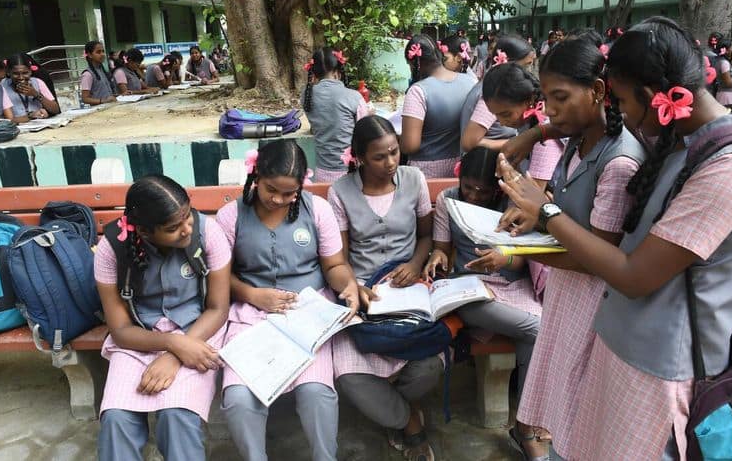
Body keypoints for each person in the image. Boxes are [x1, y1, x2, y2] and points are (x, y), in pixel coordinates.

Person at [498, 16, 732, 460]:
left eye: (623, 101)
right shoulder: (679, 141)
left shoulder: (731, 168)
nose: (620, 114)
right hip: (625, 352)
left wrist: (546, 211)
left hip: (662, 373)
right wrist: (542, 129)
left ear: (653, 96)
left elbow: (633, 274)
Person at [492, 36, 645, 460]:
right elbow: (564, 204)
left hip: (591, 300)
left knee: (577, 407)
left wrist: (518, 248)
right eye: (546, 99)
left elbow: (596, 258)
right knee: (559, 403)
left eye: (560, 98)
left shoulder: (618, 162)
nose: (552, 110)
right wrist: (534, 135)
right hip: (566, 292)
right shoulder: (582, 137)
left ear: (598, 90)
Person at [215, 139, 360, 461]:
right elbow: (219, 278)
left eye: (289, 193)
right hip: (250, 315)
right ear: (255, 176)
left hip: (307, 315)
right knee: (238, 397)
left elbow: (334, 266)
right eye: (271, 190)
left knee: (316, 392)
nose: (279, 200)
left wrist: (347, 285)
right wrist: (253, 294)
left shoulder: (317, 209)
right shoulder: (231, 216)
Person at [94, 175, 231, 461]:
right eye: (173, 228)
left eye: (187, 217)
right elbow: (120, 329)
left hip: (198, 332)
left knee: (177, 416)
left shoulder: (209, 232)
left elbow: (218, 308)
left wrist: (176, 353)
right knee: (116, 419)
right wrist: (170, 344)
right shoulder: (111, 249)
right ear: (144, 231)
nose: (186, 230)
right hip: (137, 339)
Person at [327, 116, 439, 461]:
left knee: (431, 363)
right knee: (348, 375)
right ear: (359, 157)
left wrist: (415, 265)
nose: (391, 163)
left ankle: (394, 410)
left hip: (410, 286)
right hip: (362, 294)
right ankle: (409, 420)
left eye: (394, 152)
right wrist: (355, 285)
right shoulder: (340, 192)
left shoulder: (413, 179)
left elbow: (425, 236)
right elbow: (339, 257)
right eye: (379, 157)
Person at [423, 146, 543, 458]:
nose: (474, 196)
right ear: (459, 180)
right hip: (468, 289)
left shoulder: (510, 203)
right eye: (469, 188)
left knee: (535, 333)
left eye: (483, 190)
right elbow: (441, 247)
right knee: (538, 329)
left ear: (495, 187)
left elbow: (522, 260)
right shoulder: (448, 199)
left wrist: (504, 258)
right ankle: (528, 426)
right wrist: (437, 257)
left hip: (511, 283)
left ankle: (526, 423)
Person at [481, 62, 564, 191]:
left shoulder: (545, 138)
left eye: (506, 114)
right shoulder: (527, 124)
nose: (502, 122)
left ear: (529, 100)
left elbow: (532, 195)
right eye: (496, 115)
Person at [401, 34, 475, 178]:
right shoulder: (470, 82)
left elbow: (410, 145)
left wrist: (399, 138)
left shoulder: (418, 91)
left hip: (426, 171)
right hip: (462, 166)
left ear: (414, 63)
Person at [302, 47, 370, 183]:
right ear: (337, 73)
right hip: (351, 175)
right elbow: (366, 131)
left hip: (322, 173)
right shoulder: (354, 97)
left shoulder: (306, 96)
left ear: (313, 73)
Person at [460, 34, 538, 153]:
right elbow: (470, 142)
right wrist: (522, 141)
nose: (530, 71)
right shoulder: (496, 92)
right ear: (510, 63)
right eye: (527, 65)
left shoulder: (492, 85)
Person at [1, 53, 60, 122]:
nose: (21, 77)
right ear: (8, 72)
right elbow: (8, 120)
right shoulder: (2, 86)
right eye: (15, 74)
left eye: (25, 73)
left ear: (30, 71)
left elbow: (55, 110)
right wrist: (30, 116)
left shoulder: (38, 82)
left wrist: (36, 94)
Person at [81, 41, 117, 106]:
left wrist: (120, 95)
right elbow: (85, 99)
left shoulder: (102, 71)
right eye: (98, 52)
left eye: (103, 51)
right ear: (90, 55)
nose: (102, 54)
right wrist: (103, 101)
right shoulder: (87, 74)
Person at [712, 38, 732, 108]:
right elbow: (728, 83)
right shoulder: (724, 63)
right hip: (726, 95)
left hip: (722, 93)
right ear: (726, 50)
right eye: (731, 47)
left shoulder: (718, 60)